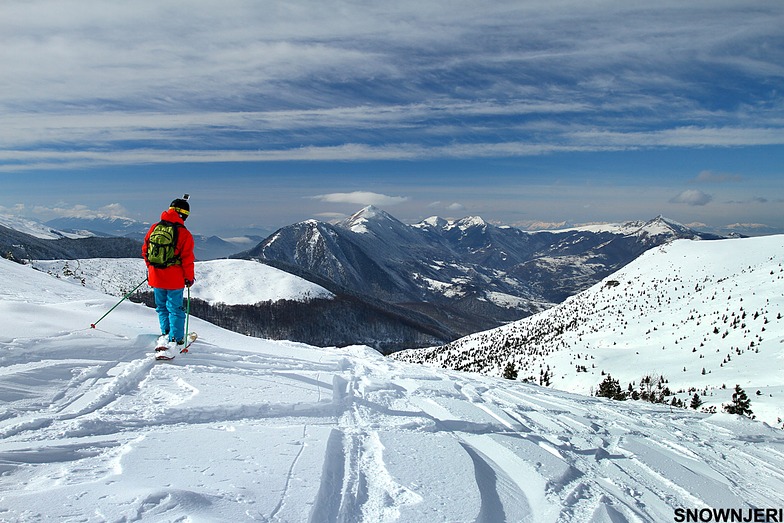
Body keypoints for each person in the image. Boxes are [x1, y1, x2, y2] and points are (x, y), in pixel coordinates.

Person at [142, 196, 195, 352]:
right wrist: (189, 278)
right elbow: (187, 259)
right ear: (184, 215)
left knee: (161, 307)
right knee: (175, 308)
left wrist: (152, 268)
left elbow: (145, 251)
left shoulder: (154, 228)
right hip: (174, 278)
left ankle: (165, 332)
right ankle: (177, 338)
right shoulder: (184, 234)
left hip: (156, 275)